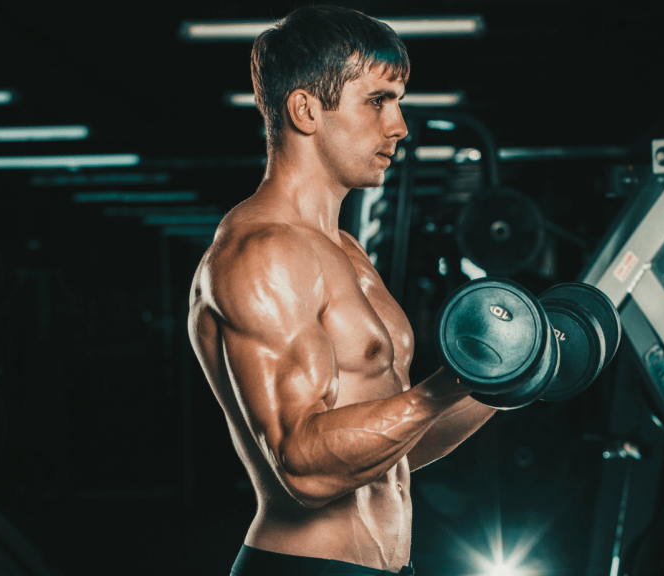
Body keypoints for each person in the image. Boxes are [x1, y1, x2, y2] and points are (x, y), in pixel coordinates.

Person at [186, 6, 497, 575]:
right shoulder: (263, 253)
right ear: (305, 110)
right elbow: (301, 467)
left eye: (398, 102)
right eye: (378, 100)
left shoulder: (346, 250)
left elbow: (394, 450)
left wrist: (501, 381)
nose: (399, 126)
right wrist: (439, 389)